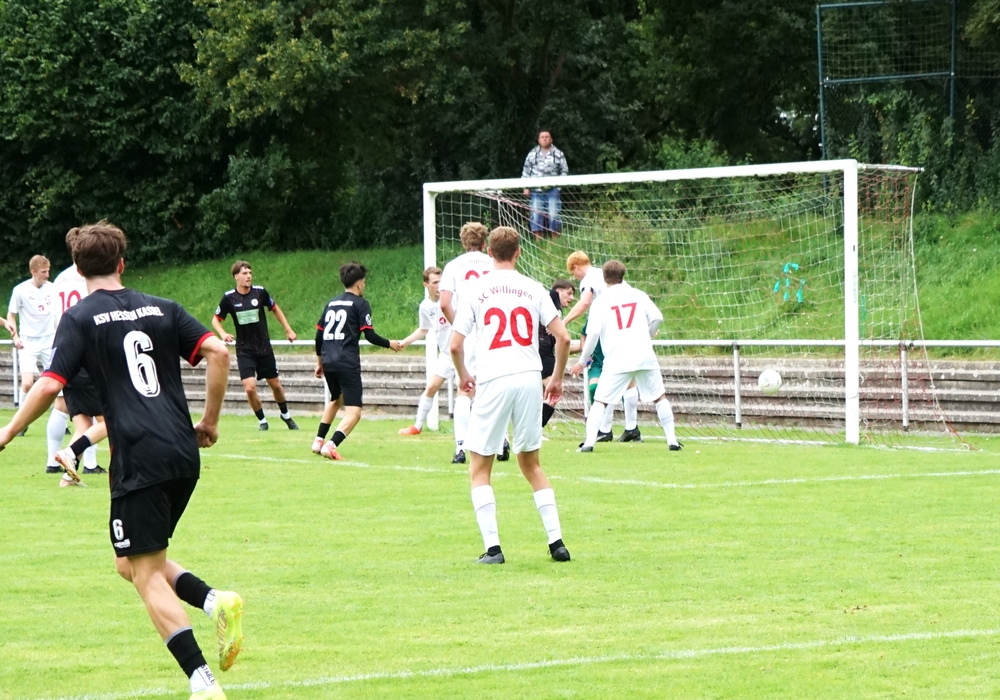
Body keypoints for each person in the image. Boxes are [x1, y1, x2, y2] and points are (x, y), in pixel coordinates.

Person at [0, 221, 244, 700]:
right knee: (128, 562)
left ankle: (202, 682)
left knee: (145, 573)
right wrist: (210, 422)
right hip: (182, 451)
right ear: (122, 264)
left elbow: (49, 385)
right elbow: (218, 351)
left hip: (138, 456)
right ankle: (215, 600)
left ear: (76, 270)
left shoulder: (80, 317)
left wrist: (7, 433)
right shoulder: (163, 306)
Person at [451, 226, 572, 565]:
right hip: (529, 378)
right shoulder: (534, 288)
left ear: (489, 252)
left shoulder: (475, 290)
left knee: (479, 467)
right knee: (531, 464)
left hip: (494, 379)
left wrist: (464, 375)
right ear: (518, 252)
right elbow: (563, 338)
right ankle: (557, 542)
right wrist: (556, 378)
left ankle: (493, 549)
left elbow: (455, 345)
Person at [571, 260, 681, 453]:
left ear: (604, 278)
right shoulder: (638, 294)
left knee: (600, 401)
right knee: (659, 397)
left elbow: (593, 334)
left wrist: (582, 361)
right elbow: (658, 317)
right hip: (644, 355)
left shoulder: (601, 301)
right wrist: (647, 335)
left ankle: (589, 444)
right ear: (623, 275)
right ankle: (672, 441)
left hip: (617, 358)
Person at [312, 262, 402, 460]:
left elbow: (318, 336)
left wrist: (319, 362)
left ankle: (318, 441)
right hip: (346, 361)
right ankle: (331, 445)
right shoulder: (361, 304)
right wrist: (390, 343)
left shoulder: (331, 303)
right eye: (364, 282)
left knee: (336, 399)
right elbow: (369, 335)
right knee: (354, 412)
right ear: (359, 283)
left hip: (328, 360)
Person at [439, 222, 510, 464]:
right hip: (494, 330)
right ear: (484, 242)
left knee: (465, 389)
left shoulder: (453, 266)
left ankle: (461, 447)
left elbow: (444, 303)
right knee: (496, 386)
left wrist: (460, 327)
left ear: (463, 242)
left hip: (468, 333)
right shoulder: (493, 262)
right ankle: (502, 440)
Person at [564, 250, 641, 442]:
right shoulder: (610, 277)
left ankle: (605, 430)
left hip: (609, 331)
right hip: (628, 330)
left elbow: (585, 302)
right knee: (627, 377)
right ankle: (632, 427)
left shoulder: (588, 280)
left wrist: (564, 321)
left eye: (573, 273)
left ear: (576, 267)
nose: (575, 277)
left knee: (607, 377)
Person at [212, 261, 299, 431]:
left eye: (250, 273)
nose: (248, 276)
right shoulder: (229, 298)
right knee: (249, 388)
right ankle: (262, 421)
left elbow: (275, 308)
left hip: (264, 347)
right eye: (244, 273)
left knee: (275, 385)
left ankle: (286, 415)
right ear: (236, 277)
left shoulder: (260, 293)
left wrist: (288, 329)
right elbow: (215, 320)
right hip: (245, 350)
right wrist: (222, 333)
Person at [52, 232, 107, 486]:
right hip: (86, 355)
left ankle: (68, 477)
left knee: (83, 424)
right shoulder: (91, 276)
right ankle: (70, 453)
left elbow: (56, 319)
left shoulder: (59, 279)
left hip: (64, 354)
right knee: (110, 420)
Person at [7, 255, 58, 444]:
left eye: (48, 271)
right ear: (33, 271)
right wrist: (15, 336)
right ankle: (20, 422)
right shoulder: (20, 290)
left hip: (49, 340)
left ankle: (60, 418)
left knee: (56, 382)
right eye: (43, 272)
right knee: (27, 383)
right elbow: (11, 316)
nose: (47, 275)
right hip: (28, 342)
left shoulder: (52, 289)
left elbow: (57, 314)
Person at [397, 266, 453, 435]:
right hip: (447, 355)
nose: (439, 286)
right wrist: (405, 342)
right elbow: (423, 329)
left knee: (473, 392)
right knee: (431, 387)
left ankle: (498, 436)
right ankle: (417, 426)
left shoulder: (453, 299)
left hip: (464, 353)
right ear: (426, 285)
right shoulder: (425, 306)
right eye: (435, 282)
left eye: (441, 282)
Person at [540, 279, 575, 428]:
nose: (571, 298)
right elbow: (549, 293)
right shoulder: (551, 296)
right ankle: (535, 429)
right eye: (569, 293)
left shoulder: (554, 313)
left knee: (543, 396)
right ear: (558, 291)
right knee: (553, 395)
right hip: (543, 354)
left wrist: (584, 347)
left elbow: (562, 345)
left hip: (543, 352)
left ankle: (535, 430)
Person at [521, 130, 569, 237]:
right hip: (536, 190)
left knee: (554, 214)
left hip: (553, 190)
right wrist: (526, 187)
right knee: (536, 215)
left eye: (547, 137)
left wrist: (559, 186)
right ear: (538, 140)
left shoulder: (558, 153)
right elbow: (526, 171)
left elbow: (564, 171)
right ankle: (538, 243)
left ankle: (555, 242)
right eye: (542, 137)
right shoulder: (532, 154)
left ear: (551, 139)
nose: (544, 139)